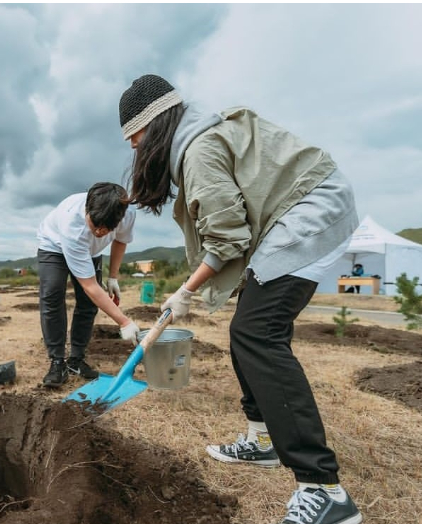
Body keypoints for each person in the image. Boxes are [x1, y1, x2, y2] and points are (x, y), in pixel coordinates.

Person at [119, 74, 362, 524]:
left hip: (311, 212)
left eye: (135, 142)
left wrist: (185, 291)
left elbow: (227, 238)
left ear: (152, 128)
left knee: (257, 334)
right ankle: (264, 439)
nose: (135, 152)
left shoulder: (198, 151)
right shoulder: (197, 141)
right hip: (289, 219)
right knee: (247, 332)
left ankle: (324, 489)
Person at [37, 182, 140, 387]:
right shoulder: (72, 225)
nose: (101, 233)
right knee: (52, 295)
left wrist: (113, 277)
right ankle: (57, 361)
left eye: (106, 229)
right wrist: (124, 321)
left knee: (88, 305)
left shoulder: (125, 213)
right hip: (53, 246)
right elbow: (91, 286)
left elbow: (120, 240)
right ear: (87, 210)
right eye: (96, 226)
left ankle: (76, 360)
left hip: (91, 252)